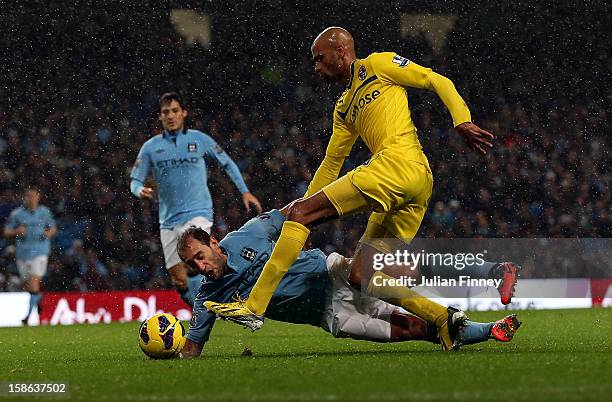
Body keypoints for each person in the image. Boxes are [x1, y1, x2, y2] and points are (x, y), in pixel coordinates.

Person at [204, 27, 519, 351]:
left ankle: (254, 306)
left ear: (341, 51)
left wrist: (461, 119)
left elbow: (434, 79)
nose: (315, 67)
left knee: (302, 214)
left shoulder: (378, 64)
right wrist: (306, 208)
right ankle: (450, 314)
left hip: (398, 163)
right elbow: (331, 163)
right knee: (361, 274)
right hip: (415, 183)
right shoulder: (343, 107)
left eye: (319, 59)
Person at [177, 210, 521, 358]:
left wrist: (340, 202)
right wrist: (168, 351)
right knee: (410, 330)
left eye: (200, 256)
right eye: (192, 265)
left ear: (215, 243)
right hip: (328, 315)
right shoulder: (208, 297)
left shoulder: (248, 234)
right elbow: (193, 347)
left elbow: (297, 211)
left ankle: (492, 270)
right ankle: (490, 330)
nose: (200, 266)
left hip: (333, 272)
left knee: (404, 271)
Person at [130, 92, 262, 306]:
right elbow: (134, 180)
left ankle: (225, 302)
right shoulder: (151, 148)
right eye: (166, 112)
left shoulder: (199, 139)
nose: (170, 116)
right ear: (160, 116)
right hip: (168, 220)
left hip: (198, 212)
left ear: (184, 113)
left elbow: (226, 162)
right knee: (179, 279)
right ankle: (202, 310)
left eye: (174, 111)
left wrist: (244, 191)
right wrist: (139, 190)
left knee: (196, 261)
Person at [3, 187, 57, 325]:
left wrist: (49, 233)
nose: (31, 198)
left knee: (34, 281)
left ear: (38, 197)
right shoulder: (17, 214)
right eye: (28, 196)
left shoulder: (44, 212)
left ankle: (27, 316)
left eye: (33, 196)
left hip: (40, 251)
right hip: (23, 253)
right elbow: (6, 231)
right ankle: (38, 301)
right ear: (24, 198)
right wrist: (16, 231)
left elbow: (52, 227)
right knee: (29, 286)